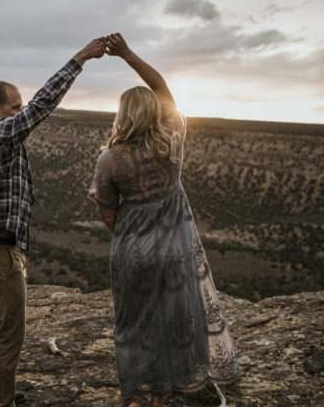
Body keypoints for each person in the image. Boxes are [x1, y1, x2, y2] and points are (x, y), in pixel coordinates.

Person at [88, 33, 240, 407]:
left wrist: (128, 235)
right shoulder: (172, 139)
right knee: (176, 322)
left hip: (131, 252)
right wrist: (126, 53)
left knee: (135, 325)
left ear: (122, 115)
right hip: (174, 250)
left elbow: (106, 210)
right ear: (153, 112)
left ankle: (141, 395)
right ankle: (166, 392)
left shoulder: (109, 159)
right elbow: (161, 86)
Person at [0, 38, 105, 407]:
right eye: (15, 107)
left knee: (2, 327)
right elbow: (42, 106)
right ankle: (1, 402)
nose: (21, 111)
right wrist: (79, 60)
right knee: (11, 333)